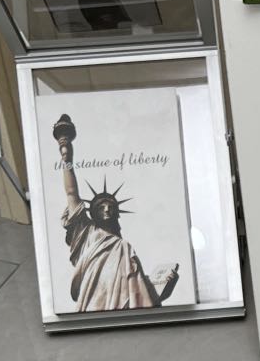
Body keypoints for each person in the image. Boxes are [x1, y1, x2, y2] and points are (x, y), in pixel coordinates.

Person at [54, 115, 179, 312]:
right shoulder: (87, 233)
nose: (107, 209)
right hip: (95, 301)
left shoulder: (124, 248)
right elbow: (71, 193)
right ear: (93, 213)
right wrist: (66, 158)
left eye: (111, 207)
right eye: (101, 206)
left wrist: (165, 287)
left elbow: (139, 295)